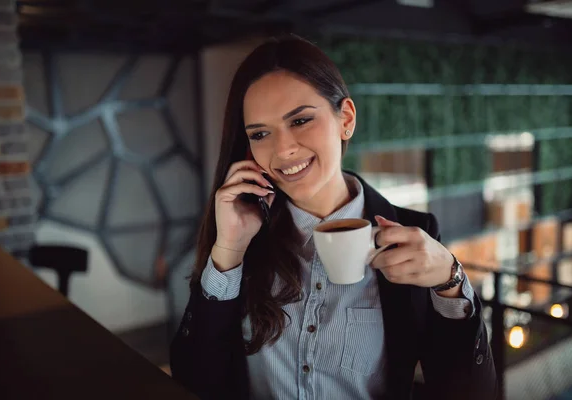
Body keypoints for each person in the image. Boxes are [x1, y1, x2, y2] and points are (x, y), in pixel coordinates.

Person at [170, 35, 497, 400]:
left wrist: (451, 281)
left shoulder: (413, 236)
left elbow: (470, 394)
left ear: (346, 119)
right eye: (261, 133)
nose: (283, 149)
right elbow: (192, 378)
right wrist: (229, 248)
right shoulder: (243, 234)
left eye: (301, 120)